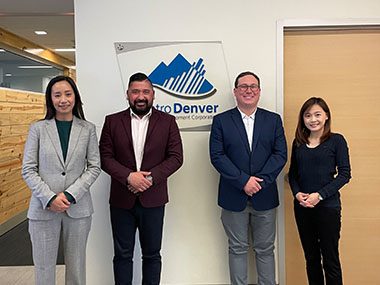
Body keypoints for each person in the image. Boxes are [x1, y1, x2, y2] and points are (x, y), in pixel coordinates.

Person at [99, 72, 183, 285]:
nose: (140, 96)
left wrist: (148, 179)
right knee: (122, 255)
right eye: (135, 91)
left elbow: (176, 158)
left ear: (153, 95)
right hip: (121, 201)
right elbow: (105, 158)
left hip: (153, 200)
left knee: (152, 255)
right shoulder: (112, 121)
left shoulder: (168, 122)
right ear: (127, 95)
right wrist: (128, 177)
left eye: (145, 91)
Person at [209, 71, 287, 285]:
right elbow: (217, 156)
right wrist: (244, 181)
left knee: (265, 250)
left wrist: (258, 181)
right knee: (237, 249)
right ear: (235, 91)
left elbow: (280, 154)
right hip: (233, 195)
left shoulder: (273, 120)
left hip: (265, 195)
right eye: (243, 86)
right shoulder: (221, 121)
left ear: (259, 92)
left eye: (253, 86)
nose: (248, 90)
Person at [22, 76, 101, 285]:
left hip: (79, 209)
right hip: (43, 208)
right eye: (57, 95)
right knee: (43, 267)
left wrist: (69, 195)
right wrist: (50, 198)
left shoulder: (88, 129)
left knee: (76, 267)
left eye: (68, 94)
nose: (63, 99)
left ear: (75, 97)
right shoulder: (37, 129)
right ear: (50, 99)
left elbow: (94, 166)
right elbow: (28, 169)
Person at [288, 97, 351, 285]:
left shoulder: (336, 140)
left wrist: (320, 195)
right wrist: (297, 193)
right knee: (311, 259)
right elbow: (293, 174)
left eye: (317, 114)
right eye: (308, 115)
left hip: (328, 208)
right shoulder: (298, 142)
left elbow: (345, 174)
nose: (312, 119)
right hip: (302, 208)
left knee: (330, 259)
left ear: (326, 117)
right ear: (303, 119)